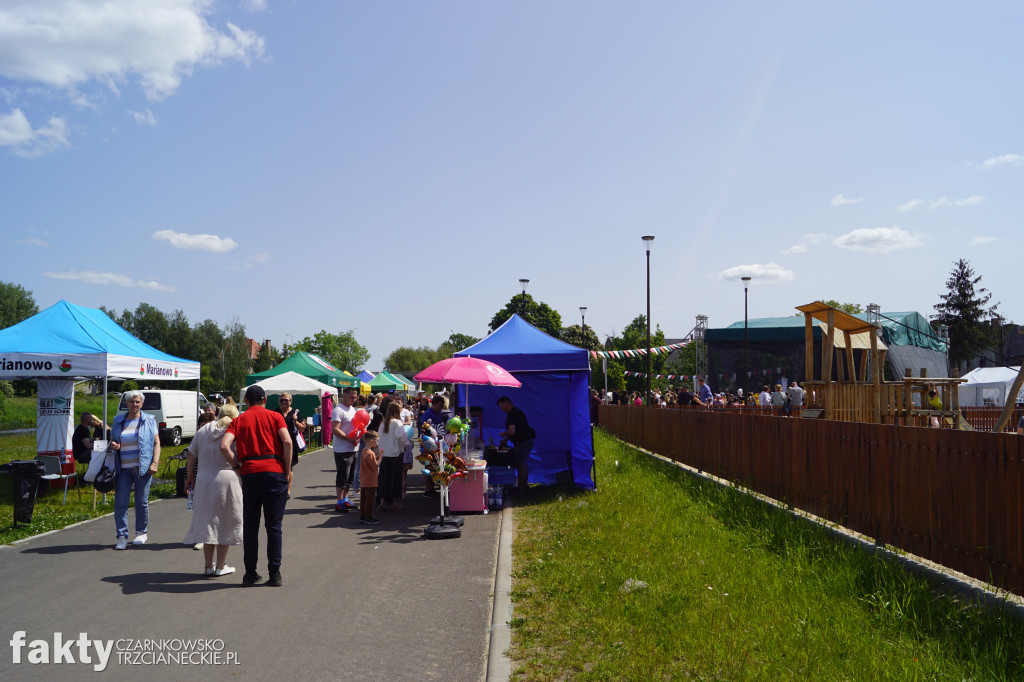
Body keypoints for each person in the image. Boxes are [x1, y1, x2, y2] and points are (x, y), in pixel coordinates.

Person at [221, 384, 292, 587]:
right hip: (274, 470)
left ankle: (250, 573)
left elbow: (224, 445)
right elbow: (287, 442)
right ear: (265, 400)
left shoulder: (238, 420)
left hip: (250, 472)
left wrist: (236, 465)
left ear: (246, 401)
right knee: (274, 526)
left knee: (251, 526)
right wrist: (286, 471)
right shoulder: (275, 417)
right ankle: (275, 573)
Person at [184, 404, 243, 576]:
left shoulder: (203, 431)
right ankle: (221, 566)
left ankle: (208, 566)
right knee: (225, 522)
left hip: (204, 479)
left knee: (208, 522)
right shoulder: (234, 431)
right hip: (228, 478)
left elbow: (191, 454)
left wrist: (189, 476)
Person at [110, 390, 161, 550]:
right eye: (131, 402)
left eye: (137, 402)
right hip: (123, 469)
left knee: (141, 502)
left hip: (143, 468)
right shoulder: (118, 421)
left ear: (142, 404)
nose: (134, 405)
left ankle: (141, 532)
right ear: (126, 404)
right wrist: (114, 445)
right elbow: (113, 440)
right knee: (121, 503)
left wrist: (155, 463)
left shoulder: (149, 420)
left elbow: (156, 443)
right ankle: (122, 536)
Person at [498, 396, 536, 494]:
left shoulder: (512, 414)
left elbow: (512, 431)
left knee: (521, 465)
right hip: (527, 440)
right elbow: (515, 431)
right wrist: (505, 440)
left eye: (502, 407)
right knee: (523, 464)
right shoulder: (517, 412)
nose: (502, 410)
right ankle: (524, 485)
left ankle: (520, 488)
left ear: (506, 403)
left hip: (523, 442)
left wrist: (503, 434)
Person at [331, 386, 360, 512]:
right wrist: (350, 438)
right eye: (352, 397)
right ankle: (339, 502)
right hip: (342, 449)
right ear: (345, 395)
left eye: (355, 397)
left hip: (353, 448)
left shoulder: (352, 409)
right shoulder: (338, 410)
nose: (354, 399)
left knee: (350, 477)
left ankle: (346, 499)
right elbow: (335, 429)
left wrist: (358, 436)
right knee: (342, 476)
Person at [377, 402, 409, 511]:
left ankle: (382, 502)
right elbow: (401, 436)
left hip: (384, 454)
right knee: (395, 478)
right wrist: (406, 445)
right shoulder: (397, 422)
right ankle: (395, 503)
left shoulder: (383, 422)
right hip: (395, 454)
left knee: (383, 478)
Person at [419, 395, 452, 498]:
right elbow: (424, 429)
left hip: (440, 445)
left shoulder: (440, 413)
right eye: (439, 405)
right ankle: (428, 490)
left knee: (437, 467)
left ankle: (433, 488)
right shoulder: (427, 414)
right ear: (433, 404)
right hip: (429, 445)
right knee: (429, 467)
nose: (441, 407)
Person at [277, 393, 306, 499]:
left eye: (286, 400)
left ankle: (287, 490)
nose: (284, 402)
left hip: (291, 443)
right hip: (277, 443)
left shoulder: (296, 412)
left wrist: (295, 421)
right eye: (281, 400)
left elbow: (303, 428)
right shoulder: (275, 412)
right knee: (278, 465)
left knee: (289, 466)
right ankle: (279, 487)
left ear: (290, 401)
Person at [359, 431, 382, 525]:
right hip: (371, 480)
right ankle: (368, 517)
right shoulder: (370, 453)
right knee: (370, 499)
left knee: (364, 498)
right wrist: (380, 459)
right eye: (377, 441)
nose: (377, 443)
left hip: (364, 479)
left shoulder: (364, 451)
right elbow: (375, 466)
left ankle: (363, 516)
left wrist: (376, 458)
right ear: (372, 441)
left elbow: (369, 463)